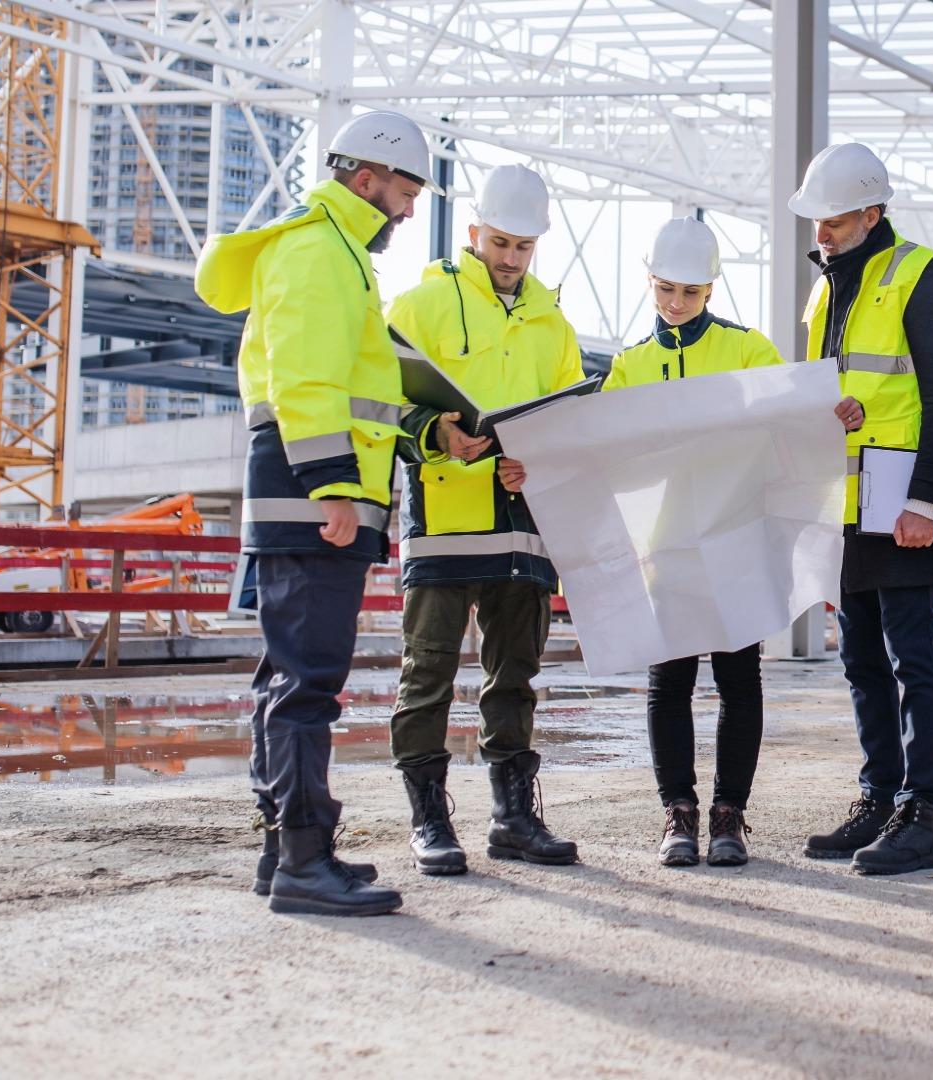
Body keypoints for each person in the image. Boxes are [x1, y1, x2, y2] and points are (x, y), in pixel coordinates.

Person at [196, 110, 487, 916]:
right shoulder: (320, 250)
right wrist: (330, 487)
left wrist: (429, 432)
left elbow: (366, 393)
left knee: (289, 676)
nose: (405, 209)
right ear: (367, 179)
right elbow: (307, 382)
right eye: (403, 191)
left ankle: (286, 848)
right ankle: (300, 861)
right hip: (313, 494)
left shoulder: (337, 253)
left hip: (318, 491)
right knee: (307, 682)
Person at [595, 216, 817, 867]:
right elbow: (603, 453)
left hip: (736, 540)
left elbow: (789, 421)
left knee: (738, 679)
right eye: (665, 289)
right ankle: (678, 813)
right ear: (650, 283)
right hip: (667, 547)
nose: (675, 304)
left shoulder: (748, 350)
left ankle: (729, 815)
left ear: (711, 290)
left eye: (689, 293)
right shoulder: (631, 365)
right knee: (670, 683)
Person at [386, 164, 587, 875]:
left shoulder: (554, 327)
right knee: (429, 670)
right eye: (500, 242)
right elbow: (379, 401)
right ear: (474, 233)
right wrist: (434, 431)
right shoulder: (421, 305)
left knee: (515, 676)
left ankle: (514, 817)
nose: (510, 258)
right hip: (444, 515)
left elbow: (570, 424)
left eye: (523, 247)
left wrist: (543, 459)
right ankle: (430, 820)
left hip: (523, 520)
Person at [791, 144, 933, 875]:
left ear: (871, 213)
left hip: (901, 504)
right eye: (816, 221)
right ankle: (878, 795)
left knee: (912, 660)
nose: (821, 233)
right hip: (846, 504)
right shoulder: (825, 292)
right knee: (862, 663)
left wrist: (927, 501)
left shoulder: (919, 275)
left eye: (833, 220)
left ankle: (920, 814)